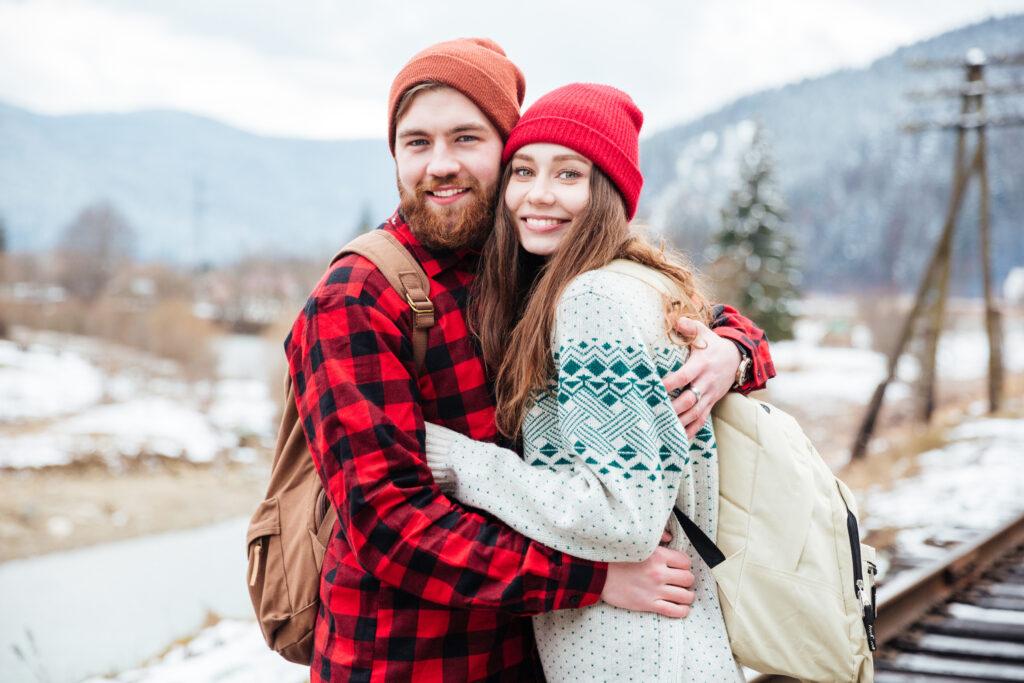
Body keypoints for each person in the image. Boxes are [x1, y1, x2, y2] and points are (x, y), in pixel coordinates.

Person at [285, 38, 775, 681]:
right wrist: (590, 577)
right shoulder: (359, 296)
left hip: (530, 653)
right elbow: (390, 525)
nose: (439, 165)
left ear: (506, 149)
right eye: (416, 142)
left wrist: (731, 355)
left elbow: (698, 322)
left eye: (466, 139)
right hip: (406, 659)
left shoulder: (530, 261)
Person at [421, 83, 743, 681]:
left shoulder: (593, 300)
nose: (537, 195)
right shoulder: (636, 282)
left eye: (569, 175)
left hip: (632, 657)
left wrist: (464, 462)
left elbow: (623, 520)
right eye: (523, 170)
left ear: (608, 195)